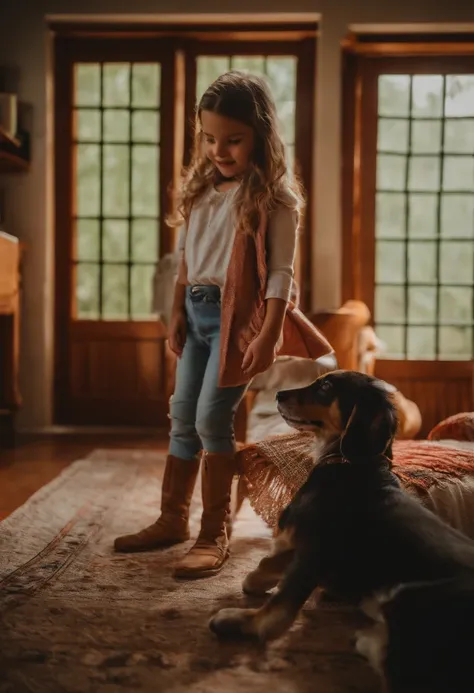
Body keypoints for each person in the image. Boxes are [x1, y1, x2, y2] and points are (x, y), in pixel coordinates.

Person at [114, 70, 332, 579]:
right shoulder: (200, 190)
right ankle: (171, 519)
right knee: (181, 412)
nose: (219, 150)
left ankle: (213, 533)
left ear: (261, 134)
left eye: (233, 140)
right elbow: (184, 258)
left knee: (213, 418)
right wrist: (174, 313)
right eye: (209, 138)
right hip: (194, 313)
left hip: (238, 321)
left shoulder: (277, 198)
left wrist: (270, 331)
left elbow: (281, 272)